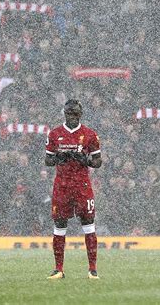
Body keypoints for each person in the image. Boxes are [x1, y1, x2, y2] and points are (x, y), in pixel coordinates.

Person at [44, 99, 102, 279]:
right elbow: (48, 160)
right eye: (69, 114)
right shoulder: (54, 134)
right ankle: (59, 269)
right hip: (62, 186)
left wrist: (85, 160)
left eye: (75, 114)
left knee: (88, 224)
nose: (72, 117)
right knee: (59, 225)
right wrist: (59, 158)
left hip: (82, 186)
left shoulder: (90, 134)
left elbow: (98, 162)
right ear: (65, 114)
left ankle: (92, 269)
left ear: (80, 114)